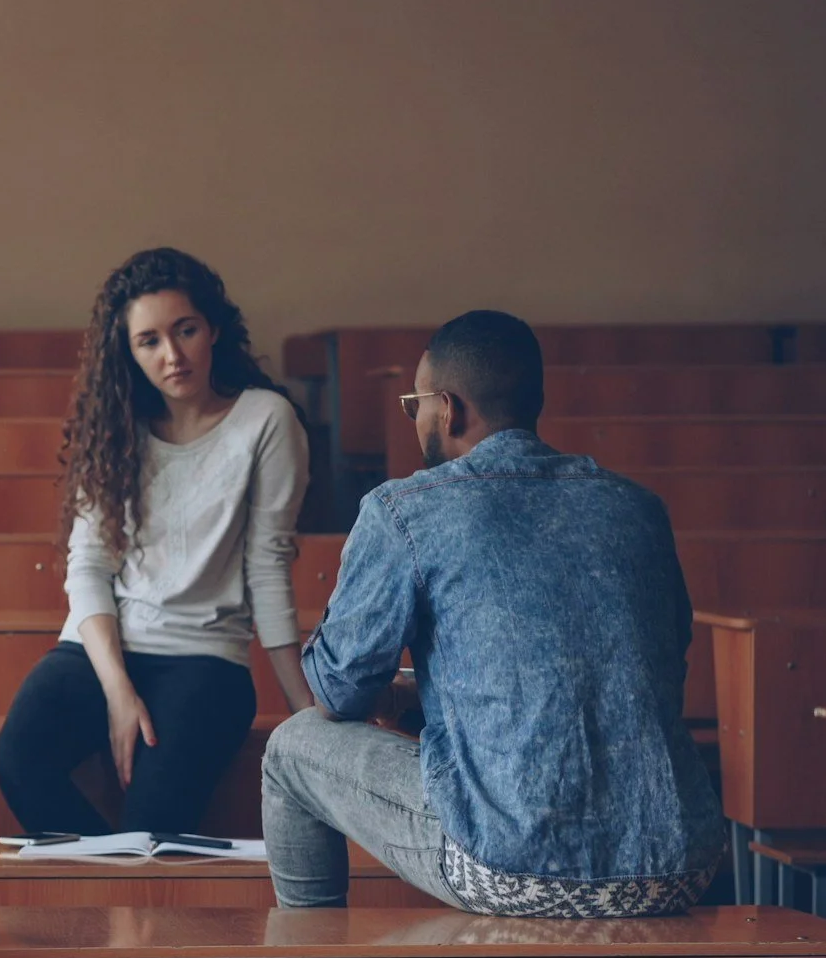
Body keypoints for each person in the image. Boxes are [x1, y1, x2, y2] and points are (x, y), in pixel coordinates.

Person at [263, 310, 723, 915]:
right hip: (677, 865)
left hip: (510, 866)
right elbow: (631, 676)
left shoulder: (408, 509)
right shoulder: (637, 508)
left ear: (448, 409)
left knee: (292, 748)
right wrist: (420, 698)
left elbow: (336, 692)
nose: (415, 420)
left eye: (414, 405)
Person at [0, 246, 311, 835]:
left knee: (150, 830)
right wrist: (119, 691)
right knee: (18, 758)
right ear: (128, 351)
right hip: (101, 648)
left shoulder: (266, 420)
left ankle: (117, 908)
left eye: (185, 330)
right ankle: (104, 909)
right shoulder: (114, 428)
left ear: (213, 328)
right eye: (149, 341)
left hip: (204, 659)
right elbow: (88, 566)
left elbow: (267, 565)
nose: (172, 356)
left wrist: (305, 710)